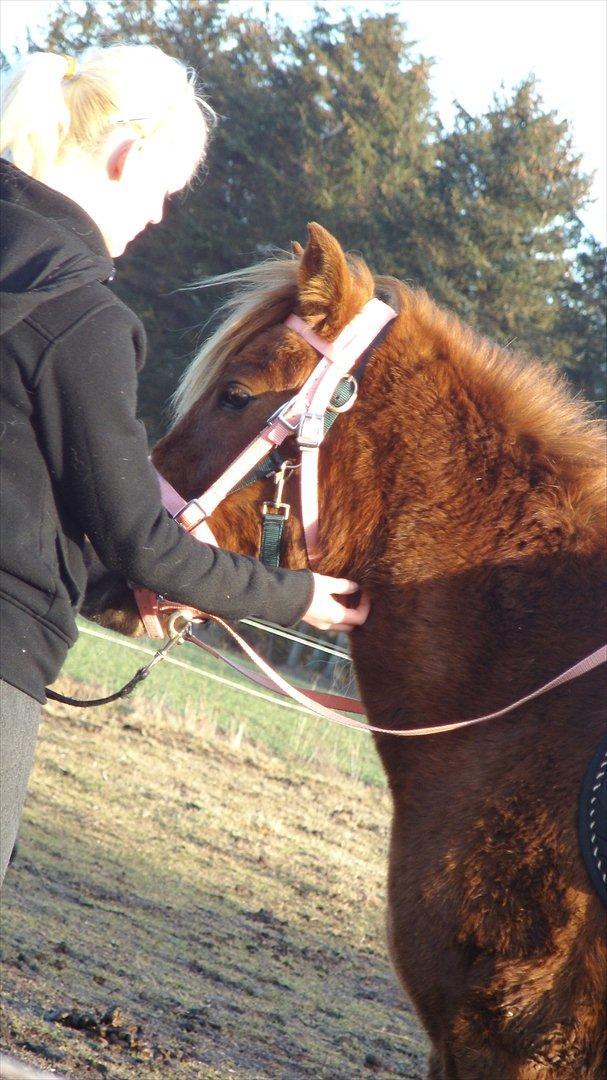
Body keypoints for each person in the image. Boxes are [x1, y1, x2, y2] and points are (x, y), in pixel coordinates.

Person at [0, 45, 370, 885]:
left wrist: (102, 591)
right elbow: (144, 545)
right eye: (163, 192)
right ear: (125, 157)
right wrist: (296, 596)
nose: (158, 217)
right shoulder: (81, 320)